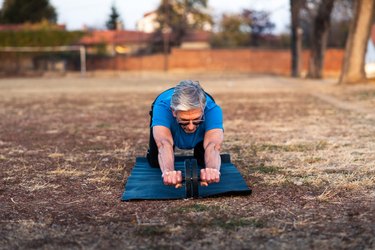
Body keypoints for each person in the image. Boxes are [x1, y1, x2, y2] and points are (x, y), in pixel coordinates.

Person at [146, 80, 224, 188]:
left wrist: (212, 170)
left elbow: (213, 145)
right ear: (173, 111)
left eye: (196, 119)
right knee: (155, 163)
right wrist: (168, 171)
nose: (191, 127)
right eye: (184, 120)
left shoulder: (212, 110)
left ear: (203, 110)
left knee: (203, 162)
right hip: (164, 106)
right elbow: (164, 143)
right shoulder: (162, 108)